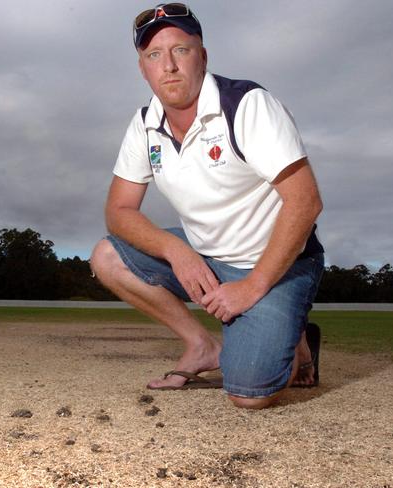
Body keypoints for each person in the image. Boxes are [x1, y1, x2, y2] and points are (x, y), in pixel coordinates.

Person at [90, 3, 325, 409]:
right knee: (107, 256)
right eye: (154, 55)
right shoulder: (144, 124)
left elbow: (305, 202)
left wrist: (252, 287)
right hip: (207, 256)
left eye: (181, 50)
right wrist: (175, 250)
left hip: (273, 263)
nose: (169, 66)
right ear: (142, 68)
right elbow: (119, 212)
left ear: (202, 56)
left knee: (250, 394)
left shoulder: (247, 105)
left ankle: (299, 341)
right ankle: (200, 345)